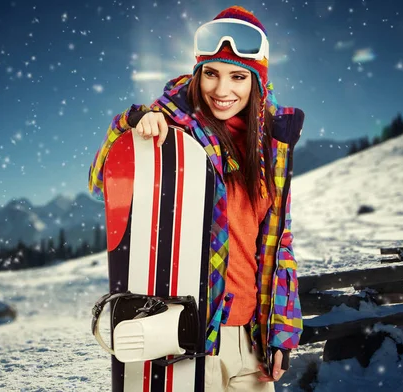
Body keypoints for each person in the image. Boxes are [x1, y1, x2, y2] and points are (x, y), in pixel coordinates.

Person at [88, 6, 304, 392]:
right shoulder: (173, 128)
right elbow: (104, 179)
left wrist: (280, 334)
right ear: (198, 72)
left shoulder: (272, 145)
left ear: (257, 81)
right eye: (212, 74)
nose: (222, 91)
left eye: (238, 77)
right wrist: (130, 126)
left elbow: (277, 244)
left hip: (251, 345)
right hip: (189, 339)